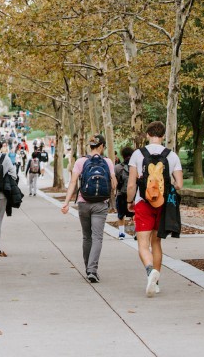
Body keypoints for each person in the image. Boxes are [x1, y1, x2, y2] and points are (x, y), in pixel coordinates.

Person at [127, 121, 183, 297]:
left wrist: (130, 201)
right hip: (163, 204)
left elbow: (131, 184)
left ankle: (150, 271)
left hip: (143, 202)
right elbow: (180, 184)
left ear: (147, 135)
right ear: (163, 136)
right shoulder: (172, 156)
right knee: (156, 242)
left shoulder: (138, 154)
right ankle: (156, 283)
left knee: (143, 244)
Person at [61, 134, 116, 283]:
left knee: (87, 237)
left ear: (90, 146)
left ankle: (88, 268)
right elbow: (114, 183)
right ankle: (92, 270)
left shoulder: (80, 161)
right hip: (100, 204)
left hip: (83, 203)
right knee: (97, 237)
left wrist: (66, 202)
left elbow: (73, 183)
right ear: (102, 146)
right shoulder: (108, 162)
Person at [115, 147, 135, 239]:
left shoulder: (118, 167)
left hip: (121, 194)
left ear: (122, 155)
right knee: (135, 214)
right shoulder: (135, 167)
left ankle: (121, 233)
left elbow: (115, 182)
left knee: (121, 215)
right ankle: (136, 233)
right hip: (134, 194)